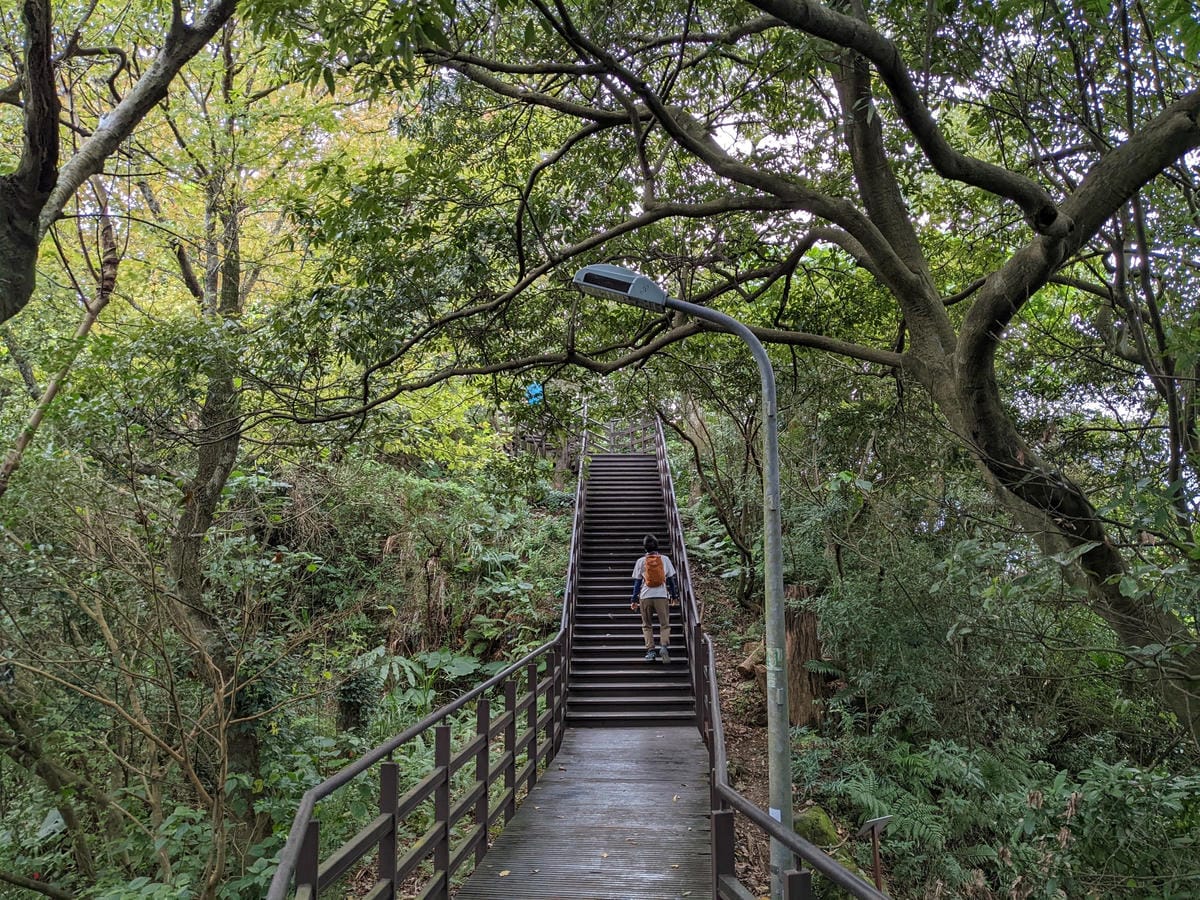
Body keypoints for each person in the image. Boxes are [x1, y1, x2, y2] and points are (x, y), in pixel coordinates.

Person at [630, 534, 680, 662]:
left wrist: (634, 600)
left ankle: (651, 651)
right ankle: (663, 646)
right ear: (657, 545)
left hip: (645, 596)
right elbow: (671, 580)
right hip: (661, 596)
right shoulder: (665, 559)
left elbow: (637, 583)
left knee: (647, 625)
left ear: (645, 547)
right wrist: (674, 596)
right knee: (665, 624)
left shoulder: (641, 561)